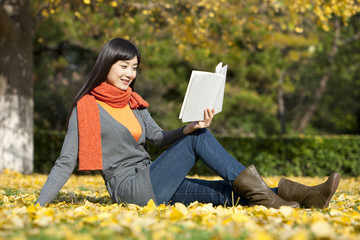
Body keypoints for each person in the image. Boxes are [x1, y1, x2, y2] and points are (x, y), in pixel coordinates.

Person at [36, 38, 340, 209]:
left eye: (135, 68)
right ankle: (274, 201)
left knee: (225, 193)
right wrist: (38, 207)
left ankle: (303, 195)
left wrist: (189, 127)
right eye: (124, 66)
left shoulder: (132, 101)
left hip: (153, 180)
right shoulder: (87, 107)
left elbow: (156, 138)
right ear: (107, 64)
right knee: (200, 139)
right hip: (130, 189)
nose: (130, 73)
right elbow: (65, 162)